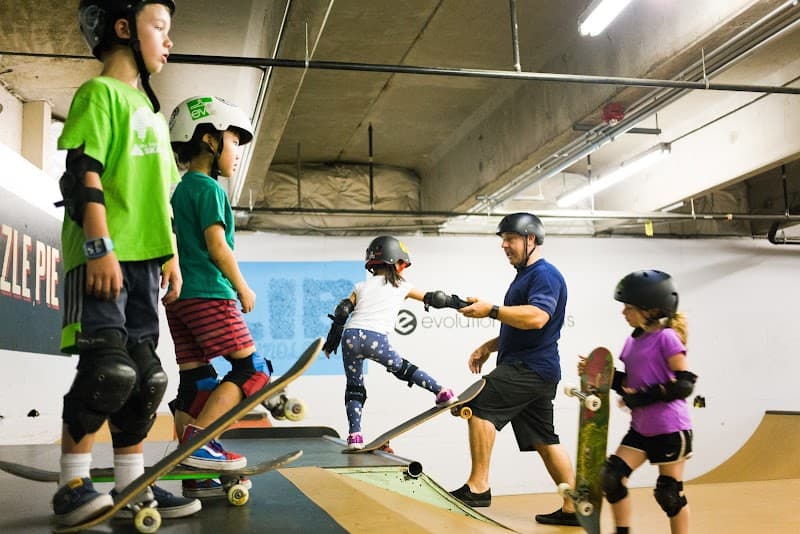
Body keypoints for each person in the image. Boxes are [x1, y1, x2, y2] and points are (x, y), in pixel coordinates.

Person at [53, 0, 199, 526]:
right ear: (123, 29)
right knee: (107, 371)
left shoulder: (154, 115)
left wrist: (173, 257)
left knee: (146, 379)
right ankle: (72, 483)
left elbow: (161, 199)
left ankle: (131, 486)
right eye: (159, 27)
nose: (169, 39)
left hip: (143, 262)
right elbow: (81, 175)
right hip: (102, 257)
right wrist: (99, 247)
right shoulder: (99, 94)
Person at [166, 95, 274, 499]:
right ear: (210, 141)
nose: (236, 152)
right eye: (233, 142)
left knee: (198, 381)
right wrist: (242, 286)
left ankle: (192, 470)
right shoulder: (209, 189)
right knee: (253, 371)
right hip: (211, 294)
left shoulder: (179, 191)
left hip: (179, 298)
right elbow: (217, 246)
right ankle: (201, 444)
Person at [451, 212, 578, 527]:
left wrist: (491, 310)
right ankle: (576, 506)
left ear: (531, 239)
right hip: (537, 368)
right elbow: (521, 325)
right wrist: (489, 346)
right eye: (503, 240)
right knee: (544, 439)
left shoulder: (544, 275)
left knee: (476, 403)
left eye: (510, 239)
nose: (505, 245)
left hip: (531, 368)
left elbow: (536, 318)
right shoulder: (525, 276)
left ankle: (478, 486)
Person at [322, 236, 458, 450]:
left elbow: (342, 312)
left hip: (350, 337)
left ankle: (355, 436)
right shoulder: (403, 286)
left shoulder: (360, 286)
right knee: (401, 367)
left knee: (354, 386)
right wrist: (459, 304)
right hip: (374, 338)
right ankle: (441, 392)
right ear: (397, 262)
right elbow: (435, 299)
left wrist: (331, 343)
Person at [597, 270, 696, 534]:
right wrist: (599, 373)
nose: (623, 313)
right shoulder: (633, 340)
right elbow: (630, 381)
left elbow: (685, 383)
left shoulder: (667, 338)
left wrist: (641, 397)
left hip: (670, 429)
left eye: (628, 308)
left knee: (669, 494)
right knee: (611, 478)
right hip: (642, 428)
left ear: (650, 310)